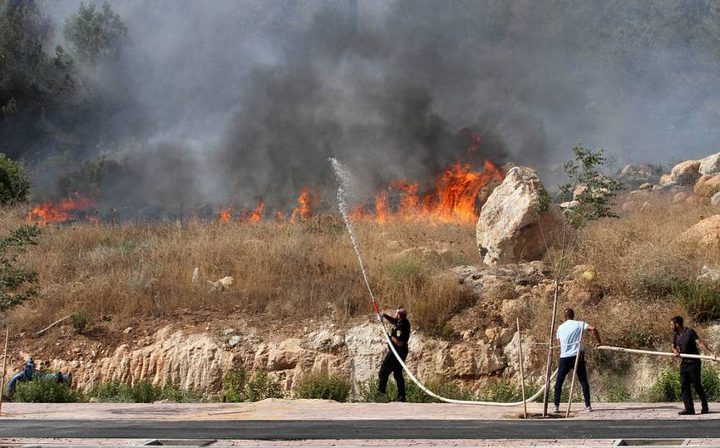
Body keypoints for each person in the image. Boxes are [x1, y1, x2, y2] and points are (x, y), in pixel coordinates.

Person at [553, 308, 602, 413]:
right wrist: (599, 342)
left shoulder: (560, 328)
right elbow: (593, 329)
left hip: (564, 356)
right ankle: (588, 405)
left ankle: (556, 406)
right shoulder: (580, 324)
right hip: (577, 355)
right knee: (583, 380)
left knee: (559, 382)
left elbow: (559, 340)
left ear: (564, 317)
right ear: (573, 315)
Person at [671, 315, 715, 415]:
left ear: (677, 324)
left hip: (694, 363)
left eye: (672, 325)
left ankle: (705, 406)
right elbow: (673, 347)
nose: (671, 327)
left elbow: (699, 343)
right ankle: (689, 409)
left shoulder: (690, 332)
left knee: (697, 385)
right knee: (684, 386)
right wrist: (675, 351)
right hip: (684, 363)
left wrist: (710, 353)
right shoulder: (676, 335)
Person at [377, 306, 411, 402]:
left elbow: (400, 342)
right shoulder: (401, 322)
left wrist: (389, 337)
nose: (395, 315)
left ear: (399, 315)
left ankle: (381, 395)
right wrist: (384, 316)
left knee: (383, 371)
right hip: (400, 352)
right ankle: (401, 397)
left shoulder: (403, 325)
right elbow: (394, 321)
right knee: (397, 373)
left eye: (396, 313)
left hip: (397, 352)